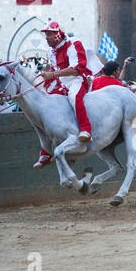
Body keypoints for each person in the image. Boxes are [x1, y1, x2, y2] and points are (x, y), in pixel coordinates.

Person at [33, 21, 103, 169]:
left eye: (50, 34)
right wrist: (44, 83)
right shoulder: (51, 51)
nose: (47, 38)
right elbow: (53, 70)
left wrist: (52, 74)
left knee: (74, 97)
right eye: (46, 34)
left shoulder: (73, 44)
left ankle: (86, 130)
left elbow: (76, 69)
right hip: (61, 82)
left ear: (58, 34)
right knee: (48, 103)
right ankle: (47, 150)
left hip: (76, 80)